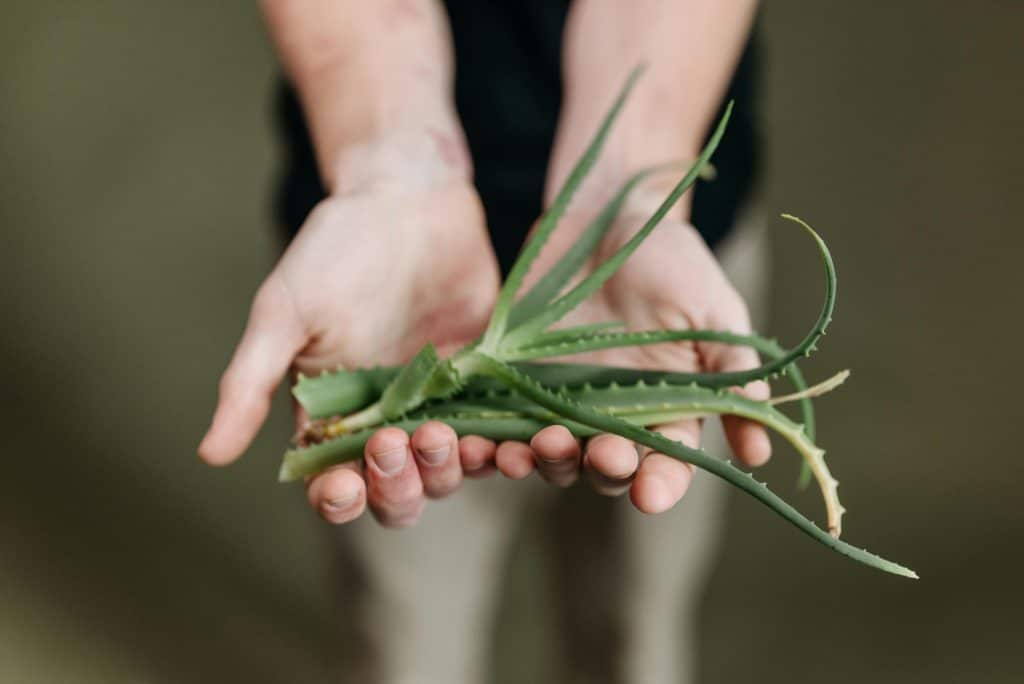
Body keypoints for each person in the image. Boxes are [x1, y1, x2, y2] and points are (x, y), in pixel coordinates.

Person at [199, 1, 768, 681]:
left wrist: (632, 181)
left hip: (649, 277)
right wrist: (389, 161)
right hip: (382, 281)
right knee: (401, 642)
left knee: (632, 634)